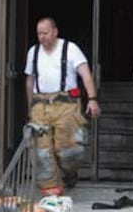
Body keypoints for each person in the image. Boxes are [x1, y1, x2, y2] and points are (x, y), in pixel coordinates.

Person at [24, 17, 100, 195]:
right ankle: (51, 189)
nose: (42, 37)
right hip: (40, 105)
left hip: (66, 104)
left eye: (45, 33)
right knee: (41, 151)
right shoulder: (33, 52)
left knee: (69, 151)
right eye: (39, 34)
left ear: (55, 31)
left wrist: (92, 98)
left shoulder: (70, 49)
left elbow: (86, 75)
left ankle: (70, 173)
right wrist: (30, 108)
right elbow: (29, 82)